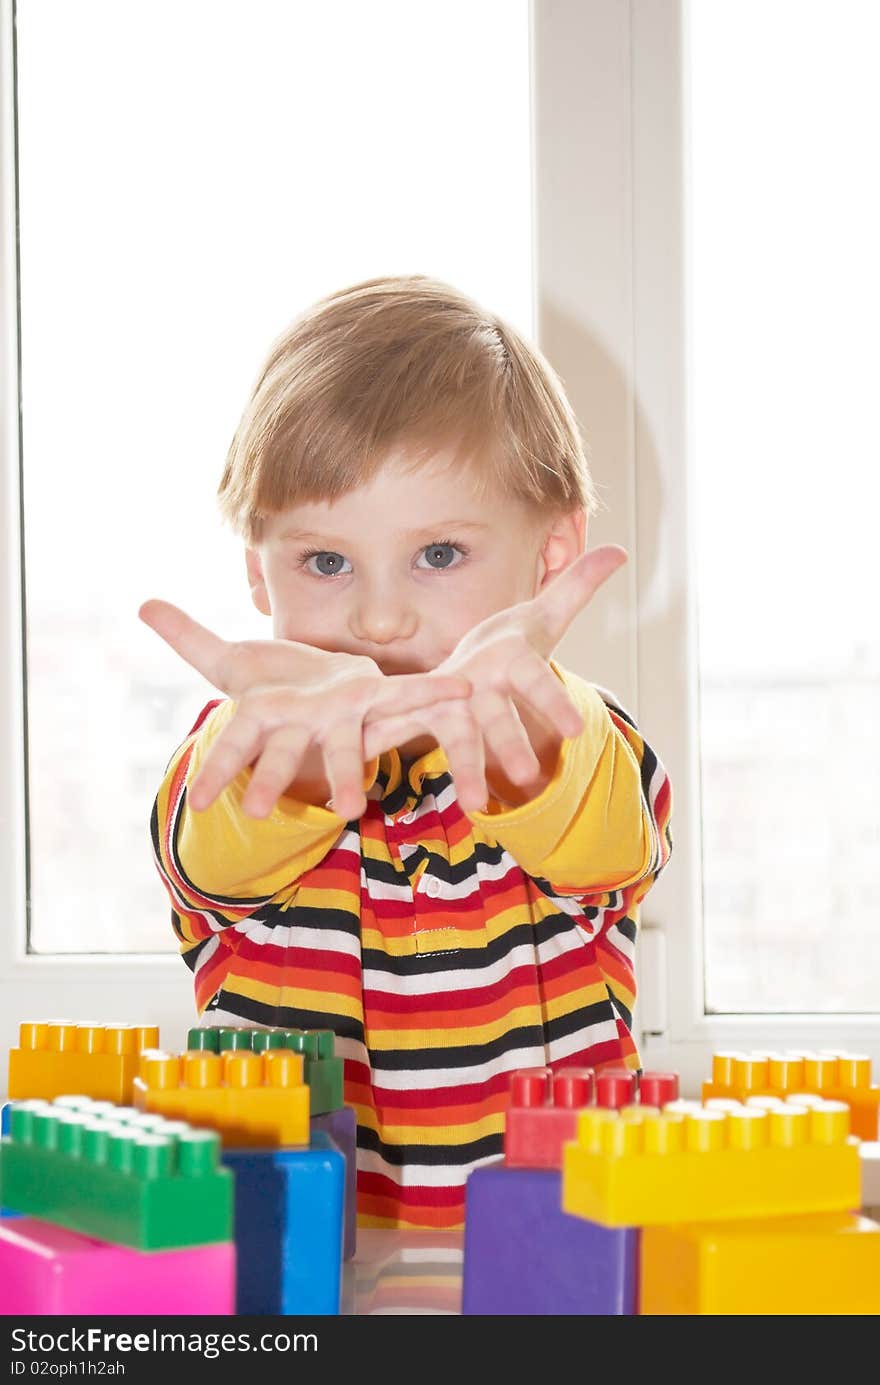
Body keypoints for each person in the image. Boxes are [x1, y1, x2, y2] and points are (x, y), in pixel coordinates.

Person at [142, 273, 673, 1231]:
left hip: (555, 1276)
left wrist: (514, 731)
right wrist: (302, 750)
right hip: (306, 1281)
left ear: (549, 558)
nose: (379, 615)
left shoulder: (572, 743)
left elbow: (600, 843)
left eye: (438, 554)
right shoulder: (242, 753)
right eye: (326, 561)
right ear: (258, 573)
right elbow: (217, 849)